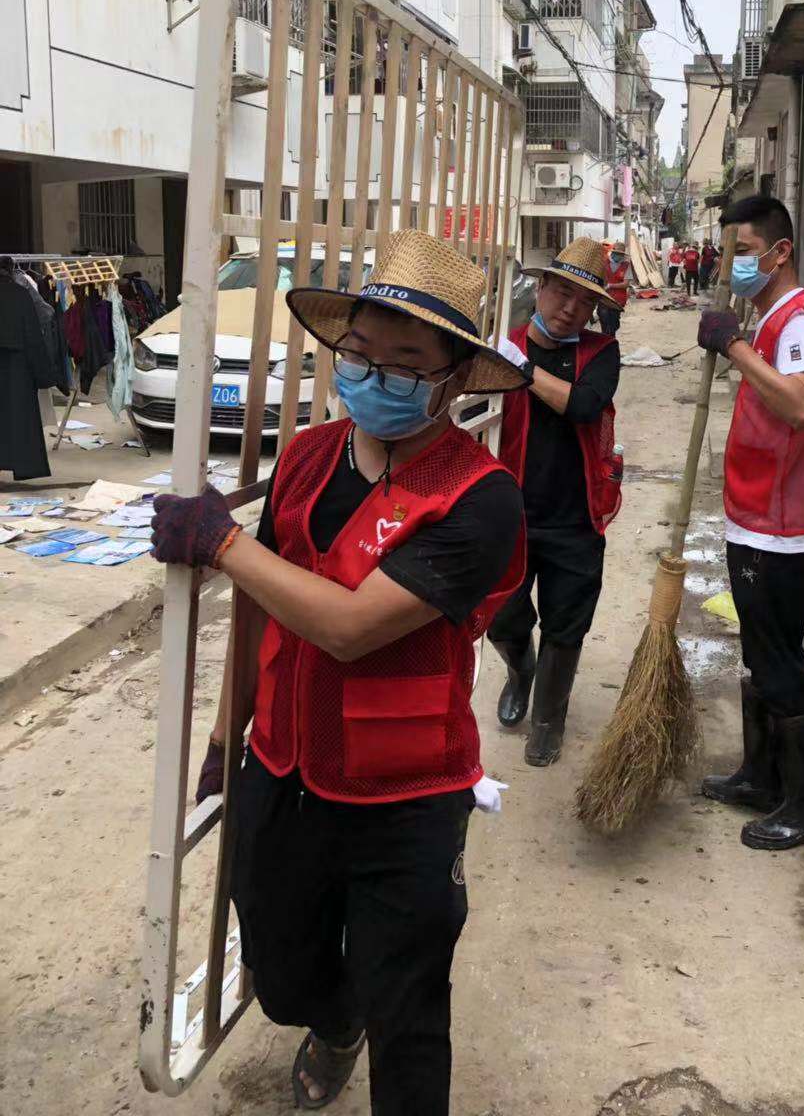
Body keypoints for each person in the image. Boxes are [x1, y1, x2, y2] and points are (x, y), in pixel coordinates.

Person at [152, 231, 526, 1115]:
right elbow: (263, 604)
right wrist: (227, 736)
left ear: (453, 381)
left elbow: (352, 628)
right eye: (359, 351)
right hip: (287, 766)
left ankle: (374, 1024)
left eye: (405, 362)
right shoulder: (309, 456)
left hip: (408, 793)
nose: (372, 374)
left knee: (412, 1012)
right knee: (281, 971)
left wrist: (221, 542)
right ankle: (335, 1017)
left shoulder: (480, 498)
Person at [696, 195, 804, 851]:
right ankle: (762, 776)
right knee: (761, 651)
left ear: (780, 253)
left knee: (778, 659)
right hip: (758, 513)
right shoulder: (772, 318)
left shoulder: (801, 322)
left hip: (783, 522)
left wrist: (733, 347)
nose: (736, 265)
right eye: (730, 252)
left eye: (746, 252)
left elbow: (801, 405)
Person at [488, 237, 623, 767]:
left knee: (567, 624)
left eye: (584, 301)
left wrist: (522, 371)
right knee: (500, 614)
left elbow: (584, 406)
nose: (570, 308)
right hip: (509, 515)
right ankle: (521, 671)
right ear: (540, 287)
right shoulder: (502, 345)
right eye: (562, 292)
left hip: (576, 516)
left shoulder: (600, 353)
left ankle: (548, 719)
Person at [0, 256, 53, 480]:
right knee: (18, 419)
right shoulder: (20, 294)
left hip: (15, 363)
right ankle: (20, 464)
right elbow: (33, 335)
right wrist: (43, 374)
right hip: (17, 368)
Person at [600, 239, 630, 335]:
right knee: (604, 321)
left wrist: (610, 285)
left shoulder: (626, 266)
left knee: (614, 324)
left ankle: (611, 339)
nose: (618, 256)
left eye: (620, 254)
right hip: (604, 298)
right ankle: (606, 340)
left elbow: (626, 284)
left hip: (618, 300)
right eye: (617, 253)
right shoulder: (604, 263)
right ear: (613, 252)